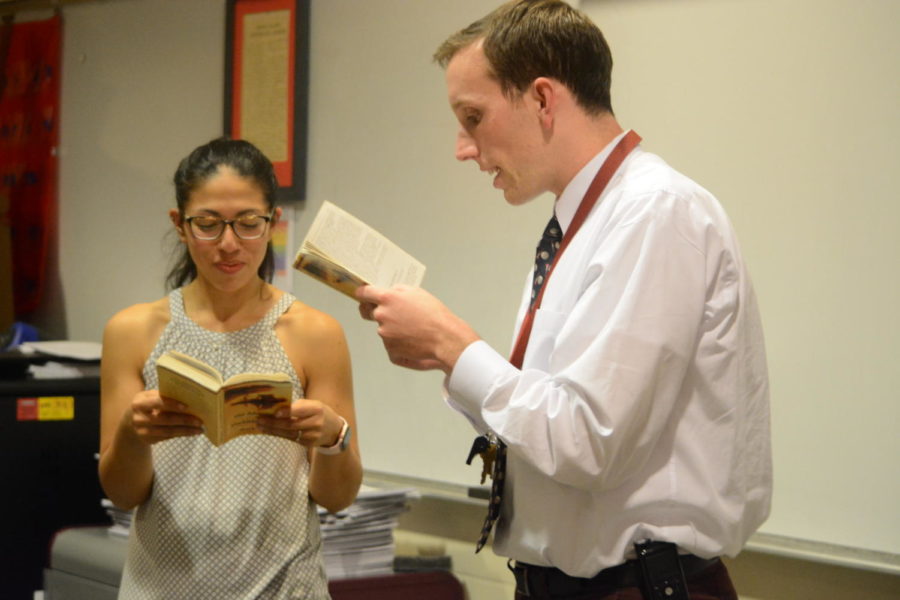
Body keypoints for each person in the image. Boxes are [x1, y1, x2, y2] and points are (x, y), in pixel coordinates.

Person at [355, 1, 771, 599]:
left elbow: (589, 443)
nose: (462, 148)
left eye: (473, 116)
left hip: (638, 587)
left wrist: (454, 344)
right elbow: (555, 424)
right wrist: (446, 357)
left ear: (543, 100)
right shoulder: (578, 224)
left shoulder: (655, 211)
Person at [99, 138, 362, 599]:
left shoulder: (314, 333)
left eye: (247, 224)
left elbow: (337, 497)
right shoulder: (133, 331)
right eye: (207, 224)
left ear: (272, 223)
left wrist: (334, 438)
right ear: (179, 225)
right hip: (163, 586)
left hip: (284, 587)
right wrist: (131, 432)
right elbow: (123, 493)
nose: (228, 245)